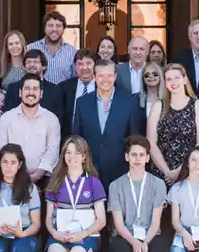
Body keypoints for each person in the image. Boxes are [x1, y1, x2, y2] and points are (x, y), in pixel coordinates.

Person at [106, 135, 171, 252]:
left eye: (141, 155)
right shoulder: (116, 185)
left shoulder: (158, 184)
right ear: (127, 157)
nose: (137, 158)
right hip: (124, 234)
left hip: (150, 234)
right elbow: (118, 222)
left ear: (148, 158)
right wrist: (134, 242)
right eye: (133, 154)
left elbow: (156, 221)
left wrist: (144, 243)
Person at [45, 137, 108, 252]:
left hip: (86, 235)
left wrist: (82, 234)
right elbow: (48, 217)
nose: (72, 156)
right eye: (68, 152)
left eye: (77, 152)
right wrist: (55, 233)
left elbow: (102, 220)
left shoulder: (93, 183)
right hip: (60, 235)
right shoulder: (55, 181)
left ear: (84, 156)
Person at [71, 59, 140, 190]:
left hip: (119, 168)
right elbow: (77, 138)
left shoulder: (129, 101)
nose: (105, 79)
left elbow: (134, 137)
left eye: (109, 75)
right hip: (89, 169)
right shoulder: (82, 102)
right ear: (95, 77)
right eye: (101, 76)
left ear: (115, 76)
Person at [148, 63, 199, 182]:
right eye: (169, 79)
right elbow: (151, 142)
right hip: (161, 174)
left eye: (177, 77)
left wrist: (180, 171)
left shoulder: (198, 106)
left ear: (185, 79)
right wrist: (167, 172)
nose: (173, 82)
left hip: (189, 172)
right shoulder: (158, 106)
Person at [0, 76, 60, 186]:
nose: (31, 92)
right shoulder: (7, 118)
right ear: (20, 92)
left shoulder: (51, 119)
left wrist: (37, 175)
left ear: (41, 94)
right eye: (27, 88)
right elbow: (0, 150)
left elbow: (52, 152)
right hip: (10, 178)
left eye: (35, 89)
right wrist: (16, 174)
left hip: (42, 180)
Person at [3, 49, 64, 118]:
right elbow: (7, 115)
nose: (31, 64)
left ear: (44, 66)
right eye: (28, 62)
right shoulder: (13, 88)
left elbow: (58, 117)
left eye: (35, 62)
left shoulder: (54, 90)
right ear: (24, 67)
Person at [56, 49, 99, 140]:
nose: (84, 68)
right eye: (80, 64)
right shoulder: (64, 88)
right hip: (70, 141)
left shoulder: (103, 87)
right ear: (75, 66)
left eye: (88, 63)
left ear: (95, 65)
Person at [28, 10, 80, 85]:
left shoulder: (73, 52)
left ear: (64, 28)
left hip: (63, 96)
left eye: (58, 26)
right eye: (50, 25)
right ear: (44, 27)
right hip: (37, 95)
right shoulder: (31, 48)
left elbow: (76, 79)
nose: (54, 29)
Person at [116, 34, 149, 102]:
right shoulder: (117, 70)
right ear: (128, 50)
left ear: (147, 52)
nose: (137, 52)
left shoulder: (155, 71)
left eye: (141, 49)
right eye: (134, 48)